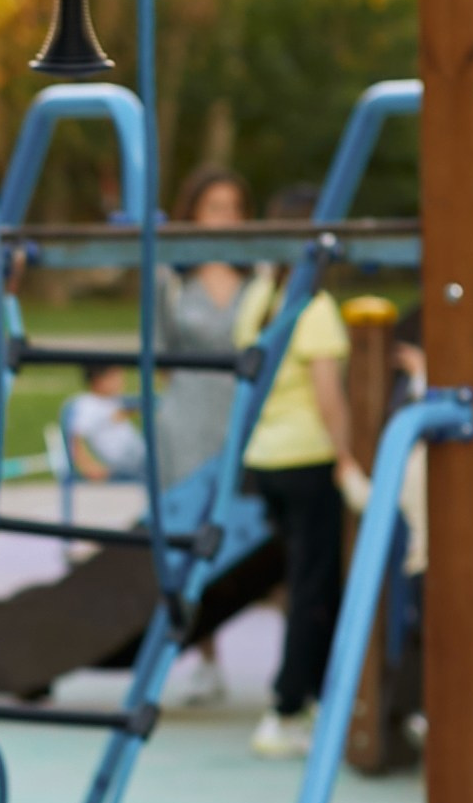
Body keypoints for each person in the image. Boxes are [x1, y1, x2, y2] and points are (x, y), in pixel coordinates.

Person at [236, 184, 372, 759]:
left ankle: (311, 693)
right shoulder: (312, 310)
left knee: (305, 583)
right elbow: (328, 395)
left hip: (265, 457)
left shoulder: (260, 295)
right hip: (307, 456)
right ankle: (285, 707)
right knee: (315, 586)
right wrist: (346, 457)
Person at [155, 160, 251, 705]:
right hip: (187, 417)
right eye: (216, 207)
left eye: (234, 209)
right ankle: (207, 657)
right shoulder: (174, 281)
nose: (226, 218)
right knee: (192, 535)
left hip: (236, 416)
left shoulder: (257, 278)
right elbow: (161, 350)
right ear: (194, 213)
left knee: (249, 528)